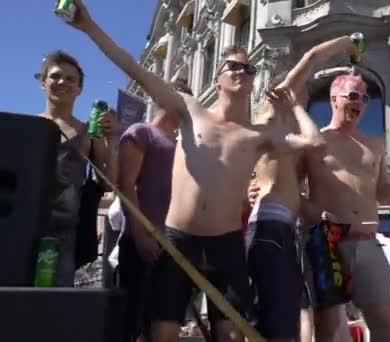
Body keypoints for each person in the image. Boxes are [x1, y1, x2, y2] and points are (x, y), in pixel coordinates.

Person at [61, 1, 327, 341]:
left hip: (227, 246)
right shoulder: (189, 109)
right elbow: (131, 65)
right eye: (232, 66)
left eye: (248, 70)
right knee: (164, 333)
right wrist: (88, 25)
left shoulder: (257, 135)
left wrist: (294, 109)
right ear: (217, 81)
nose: (240, 73)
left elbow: (316, 144)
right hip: (178, 241)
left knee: (231, 335)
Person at [247, 36, 360, 342]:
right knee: (277, 315)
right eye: (302, 93)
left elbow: (293, 196)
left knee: (285, 314)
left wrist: (319, 213)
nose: (305, 98)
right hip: (269, 227)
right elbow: (310, 56)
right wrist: (345, 44)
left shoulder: (284, 137)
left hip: (282, 228)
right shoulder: (270, 116)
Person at [299, 73, 390, 342]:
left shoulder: (375, 145)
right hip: (328, 243)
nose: (360, 102)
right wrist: (314, 214)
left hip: (368, 242)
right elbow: (291, 189)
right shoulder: (315, 142)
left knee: (384, 323)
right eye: (353, 95)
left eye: (365, 98)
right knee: (329, 328)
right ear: (334, 99)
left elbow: (383, 194)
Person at [116, 82, 192, 342]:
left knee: (160, 322)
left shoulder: (185, 146)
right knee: (129, 322)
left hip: (171, 247)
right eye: (179, 98)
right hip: (139, 244)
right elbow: (125, 184)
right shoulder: (141, 132)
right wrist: (140, 235)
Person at [38, 50, 118, 286]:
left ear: (80, 89)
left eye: (70, 79)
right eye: (55, 76)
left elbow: (108, 182)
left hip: (65, 234)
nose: (62, 82)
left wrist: (112, 140)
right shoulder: (28, 127)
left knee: (54, 303)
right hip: (24, 226)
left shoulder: (88, 134)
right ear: (43, 83)